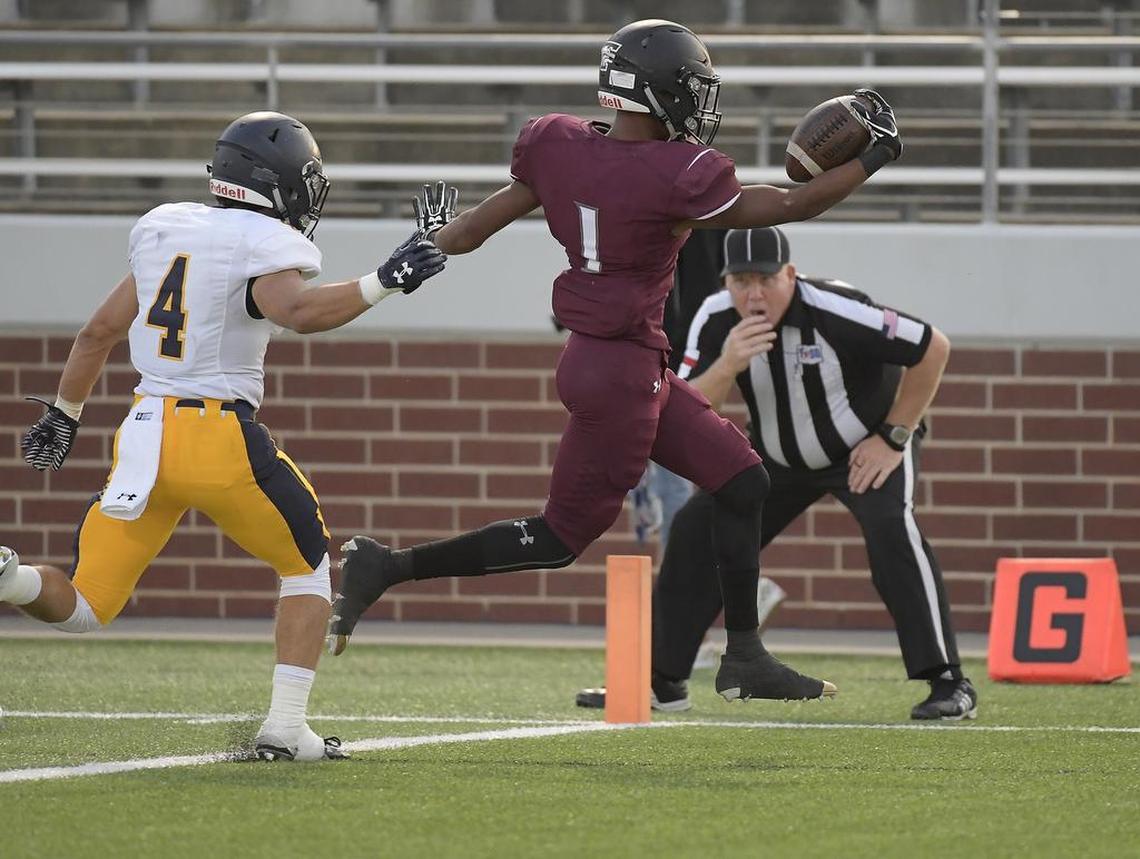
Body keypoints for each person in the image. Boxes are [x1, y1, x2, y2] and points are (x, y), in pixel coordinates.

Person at [328, 19, 904, 705]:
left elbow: (484, 220)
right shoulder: (677, 172)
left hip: (618, 362)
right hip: (622, 377)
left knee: (744, 480)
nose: (699, 104)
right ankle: (386, 566)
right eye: (690, 89)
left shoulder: (558, 145)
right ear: (658, 92)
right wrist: (873, 157)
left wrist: (430, 242)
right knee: (556, 537)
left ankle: (745, 655)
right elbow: (791, 203)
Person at [0, 110, 446, 760]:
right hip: (216, 435)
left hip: (145, 434)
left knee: (88, 601)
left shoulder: (166, 229)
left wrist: (65, 412)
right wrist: (386, 281)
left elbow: (97, 331)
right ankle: (286, 727)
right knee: (309, 564)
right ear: (277, 181)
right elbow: (294, 310)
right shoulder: (263, 242)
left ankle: (9, 579)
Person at [582, 226, 975, 720]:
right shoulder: (717, 316)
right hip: (776, 456)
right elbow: (685, 406)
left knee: (892, 531)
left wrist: (894, 436)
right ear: (725, 282)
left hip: (864, 447)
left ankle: (948, 681)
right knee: (694, 530)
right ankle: (663, 680)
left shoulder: (837, 309)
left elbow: (932, 347)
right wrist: (728, 363)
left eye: (766, 279)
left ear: (790, 275)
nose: (754, 294)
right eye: (741, 280)